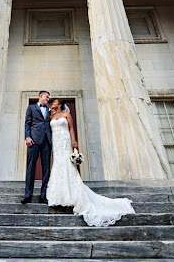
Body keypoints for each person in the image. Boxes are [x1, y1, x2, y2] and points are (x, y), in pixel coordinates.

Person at [46, 97, 135, 226]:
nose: (52, 103)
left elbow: (71, 129)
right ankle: (59, 196)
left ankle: (74, 196)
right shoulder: (51, 117)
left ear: (60, 105)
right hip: (56, 143)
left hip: (65, 142)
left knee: (68, 166)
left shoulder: (66, 115)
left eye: (54, 102)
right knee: (58, 165)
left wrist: (74, 143)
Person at [21, 90, 52, 204]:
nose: (48, 99)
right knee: (31, 168)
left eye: (49, 98)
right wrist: (27, 137)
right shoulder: (31, 108)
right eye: (47, 97)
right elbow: (27, 124)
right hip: (33, 141)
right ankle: (28, 195)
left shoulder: (50, 110)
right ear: (40, 96)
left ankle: (43, 195)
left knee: (46, 169)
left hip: (47, 142)